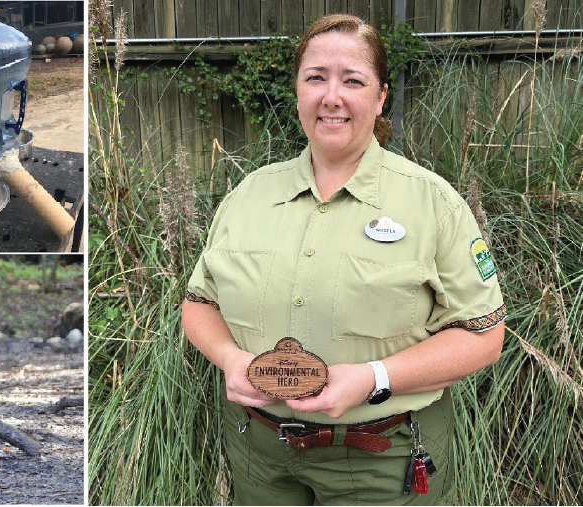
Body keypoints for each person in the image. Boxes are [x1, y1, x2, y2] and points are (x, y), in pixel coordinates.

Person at [181, 13, 506, 506]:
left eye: (352, 80)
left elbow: (483, 335)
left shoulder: (433, 204)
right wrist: (229, 359)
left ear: (380, 97)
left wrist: (373, 378)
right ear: (297, 91)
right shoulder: (248, 196)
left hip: (385, 458)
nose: (332, 96)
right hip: (260, 456)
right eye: (316, 78)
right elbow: (198, 301)